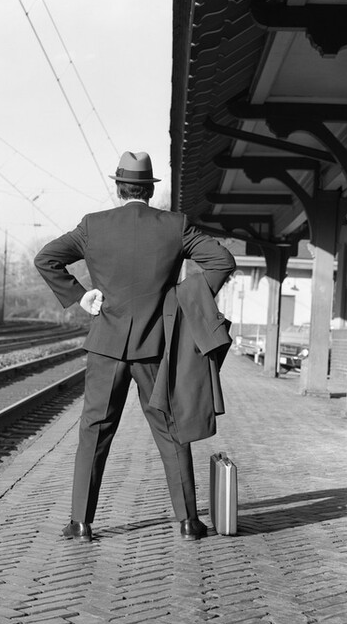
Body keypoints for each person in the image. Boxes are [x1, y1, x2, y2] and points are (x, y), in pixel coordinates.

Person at [34, 151, 235, 543]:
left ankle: (81, 522)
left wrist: (81, 296)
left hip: (106, 346)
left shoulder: (92, 226)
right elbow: (222, 261)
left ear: (118, 186)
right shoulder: (175, 226)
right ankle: (188, 522)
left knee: (94, 429)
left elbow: (46, 259)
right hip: (155, 347)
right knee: (171, 429)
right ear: (149, 188)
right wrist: (180, 298)